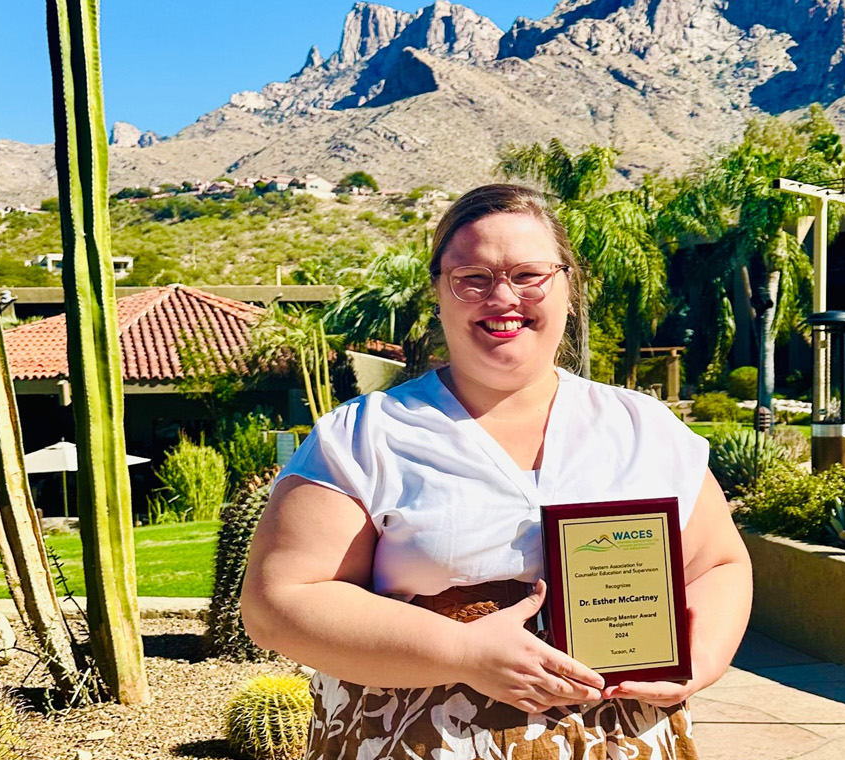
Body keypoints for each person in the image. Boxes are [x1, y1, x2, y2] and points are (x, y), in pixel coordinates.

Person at [242, 183, 753, 759]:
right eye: (473, 279)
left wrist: (701, 659)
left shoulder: (644, 427)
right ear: (440, 292)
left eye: (528, 275)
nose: (502, 297)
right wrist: (459, 652)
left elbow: (719, 564)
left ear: (568, 287)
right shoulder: (365, 434)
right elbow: (276, 602)